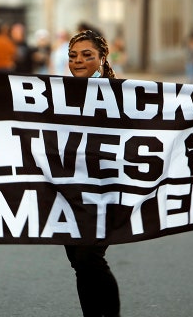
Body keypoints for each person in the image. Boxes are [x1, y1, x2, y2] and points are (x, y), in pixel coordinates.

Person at [65, 30, 120, 317]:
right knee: (78, 260)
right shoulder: (57, 96)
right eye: (73, 56)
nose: (78, 61)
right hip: (70, 194)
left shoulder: (119, 95)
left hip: (105, 192)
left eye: (87, 55)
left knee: (89, 257)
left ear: (101, 59)